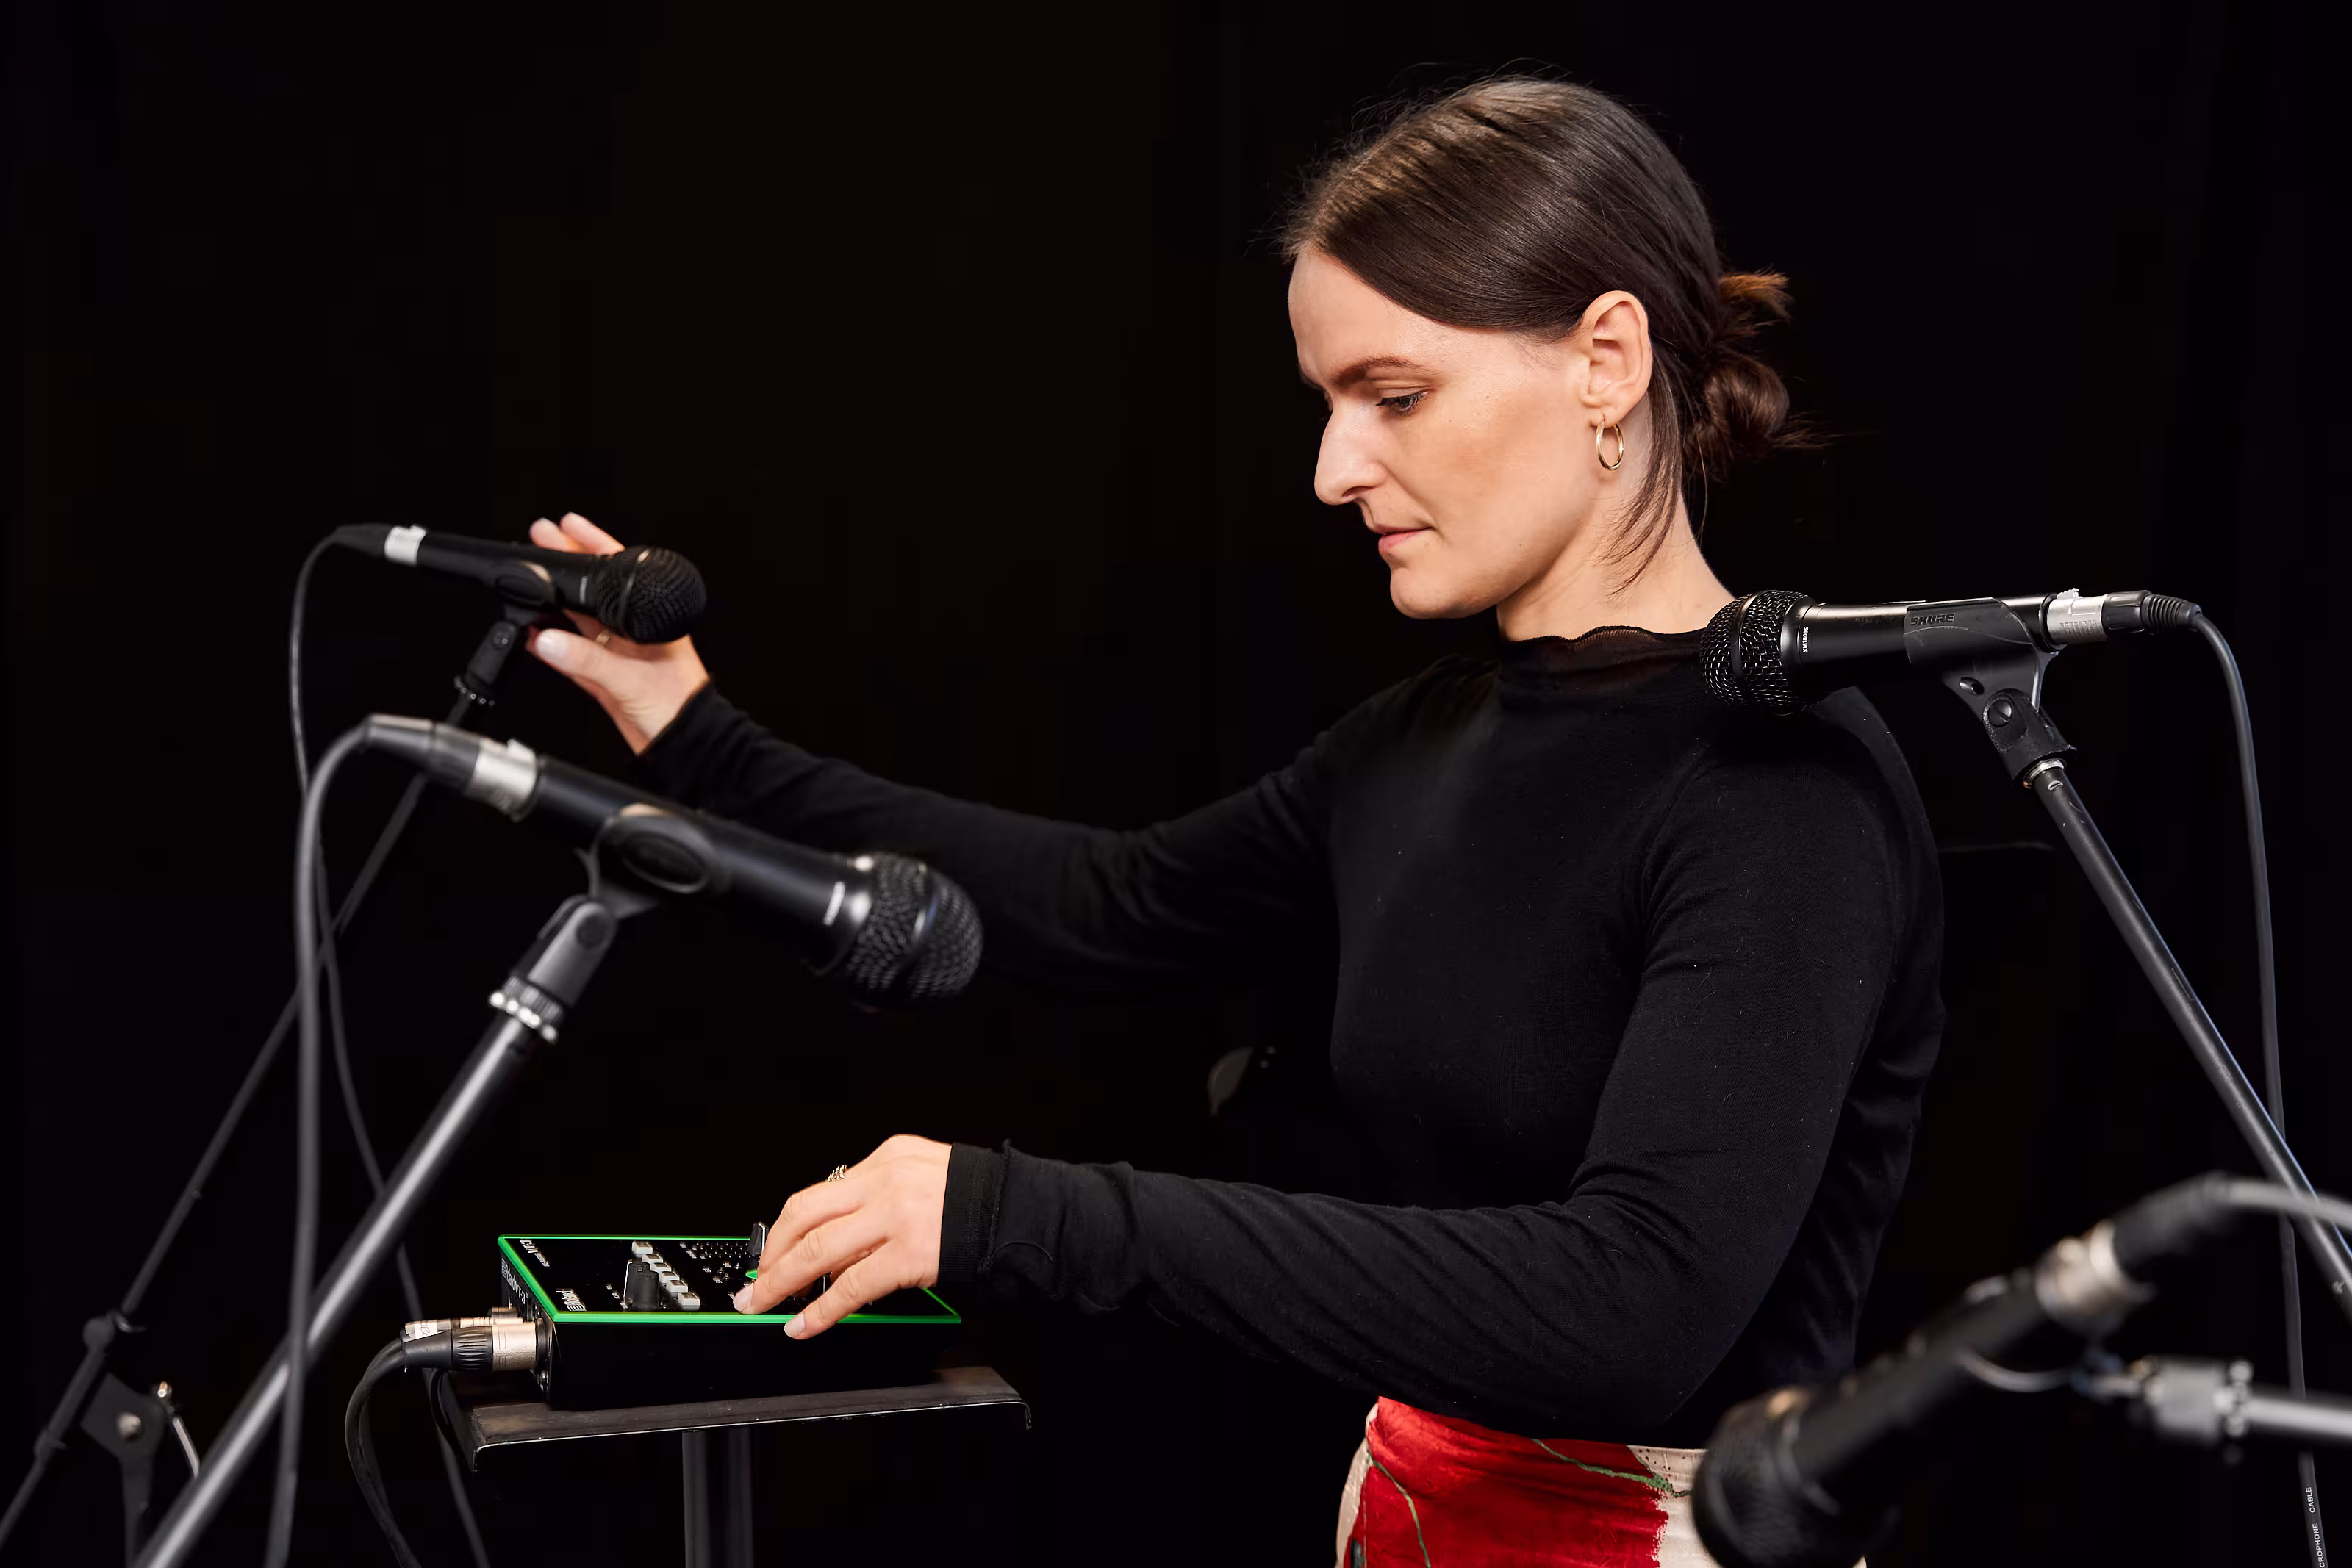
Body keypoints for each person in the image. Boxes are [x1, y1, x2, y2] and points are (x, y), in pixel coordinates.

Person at [525, 76, 1941, 1568]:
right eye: (1326, 404)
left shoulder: (1781, 784)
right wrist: (695, 732)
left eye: (1392, 398)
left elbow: (1635, 1309)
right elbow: (1098, 900)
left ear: (1604, 358)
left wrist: (1021, 1212)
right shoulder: (1429, 735)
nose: (1333, 471)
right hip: (1406, 1514)